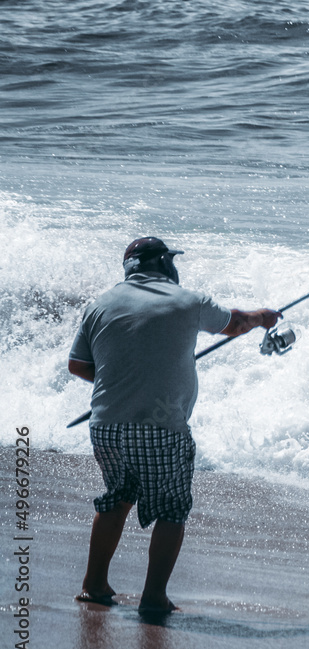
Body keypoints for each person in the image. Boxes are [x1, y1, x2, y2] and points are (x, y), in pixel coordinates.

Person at [68, 237, 280, 613]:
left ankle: (94, 584)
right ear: (165, 263)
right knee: (171, 509)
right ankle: (153, 598)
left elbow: (79, 366)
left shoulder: (98, 304)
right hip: (162, 428)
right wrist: (263, 317)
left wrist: (124, 380)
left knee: (116, 499)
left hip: (105, 426)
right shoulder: (189, 301)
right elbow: (234, 324)